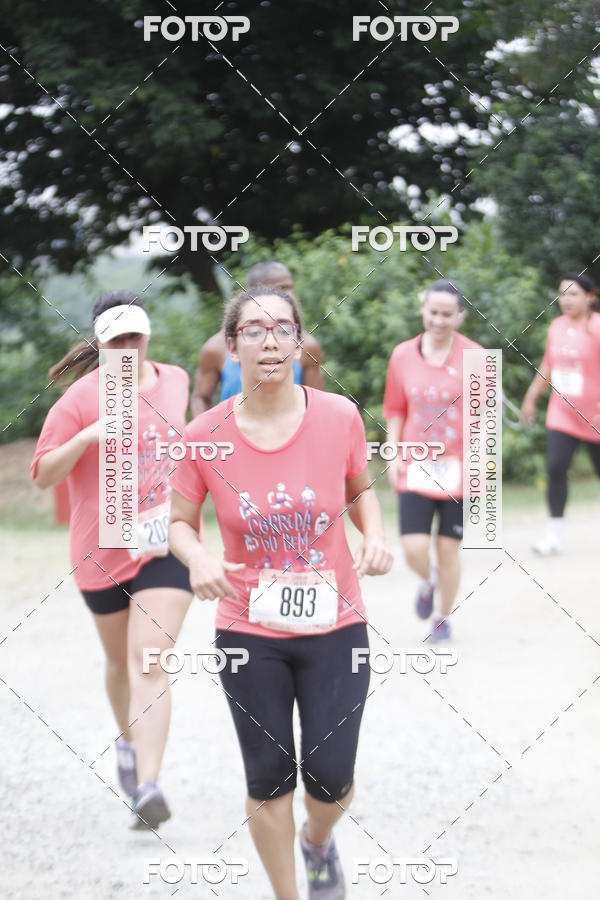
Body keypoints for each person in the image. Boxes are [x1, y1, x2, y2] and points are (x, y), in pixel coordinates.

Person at [169, 285, 393, 900]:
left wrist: (372, 535)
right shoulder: (204, 434)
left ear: (298, 340)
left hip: (336, 623)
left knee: (330, 776)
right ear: (231, 345)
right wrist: (197, 559)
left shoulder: (338, 415)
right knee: (269, 777)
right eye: (254, 330)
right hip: (248, 628)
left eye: (283, 329)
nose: (270, 340)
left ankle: (318, 840)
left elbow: (359, 489)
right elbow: (180, 523)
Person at [31, 291, 193, 829]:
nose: (127, 347)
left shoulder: (175, 381)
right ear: (99, 345)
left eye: (134, 338)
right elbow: (44, 473)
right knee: (121, 663)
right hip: (100, 553)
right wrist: (87, 435)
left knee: (149, 658)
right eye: (115, 340)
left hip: (162, 544)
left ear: (148, 337)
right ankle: (126, 745)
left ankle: (148, 786)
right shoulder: (78, 400)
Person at [383, 279, 483, 641]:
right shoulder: (402, 355)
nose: (439, 320)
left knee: (447, 549)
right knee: (413, 547)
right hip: (416, 464)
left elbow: (483, 419)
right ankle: (429, 580)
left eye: (447, 314)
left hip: (459, 468)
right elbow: (395, 408)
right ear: (423, 310)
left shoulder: (475, 357)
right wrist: (392, 452)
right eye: (433, 312)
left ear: (460, 316)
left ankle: (442, 618)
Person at [521, 273, 600, 555]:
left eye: (573, 294)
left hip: (596, 418)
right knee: (555, 468)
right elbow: (548, 366)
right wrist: (531, 397)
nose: (565, 300)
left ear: (590, 297)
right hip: (562, 413)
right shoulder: (555, 326)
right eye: (562, 294)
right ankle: (554, 536)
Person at [190, 261, 324, 416]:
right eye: (280, 288)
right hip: (236, 434)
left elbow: (316, 405)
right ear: (252, 293)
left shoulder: (306, 346)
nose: (290, 295)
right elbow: (200, 397)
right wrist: (209, 434)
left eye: (289, 288)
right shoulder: (216, 348)